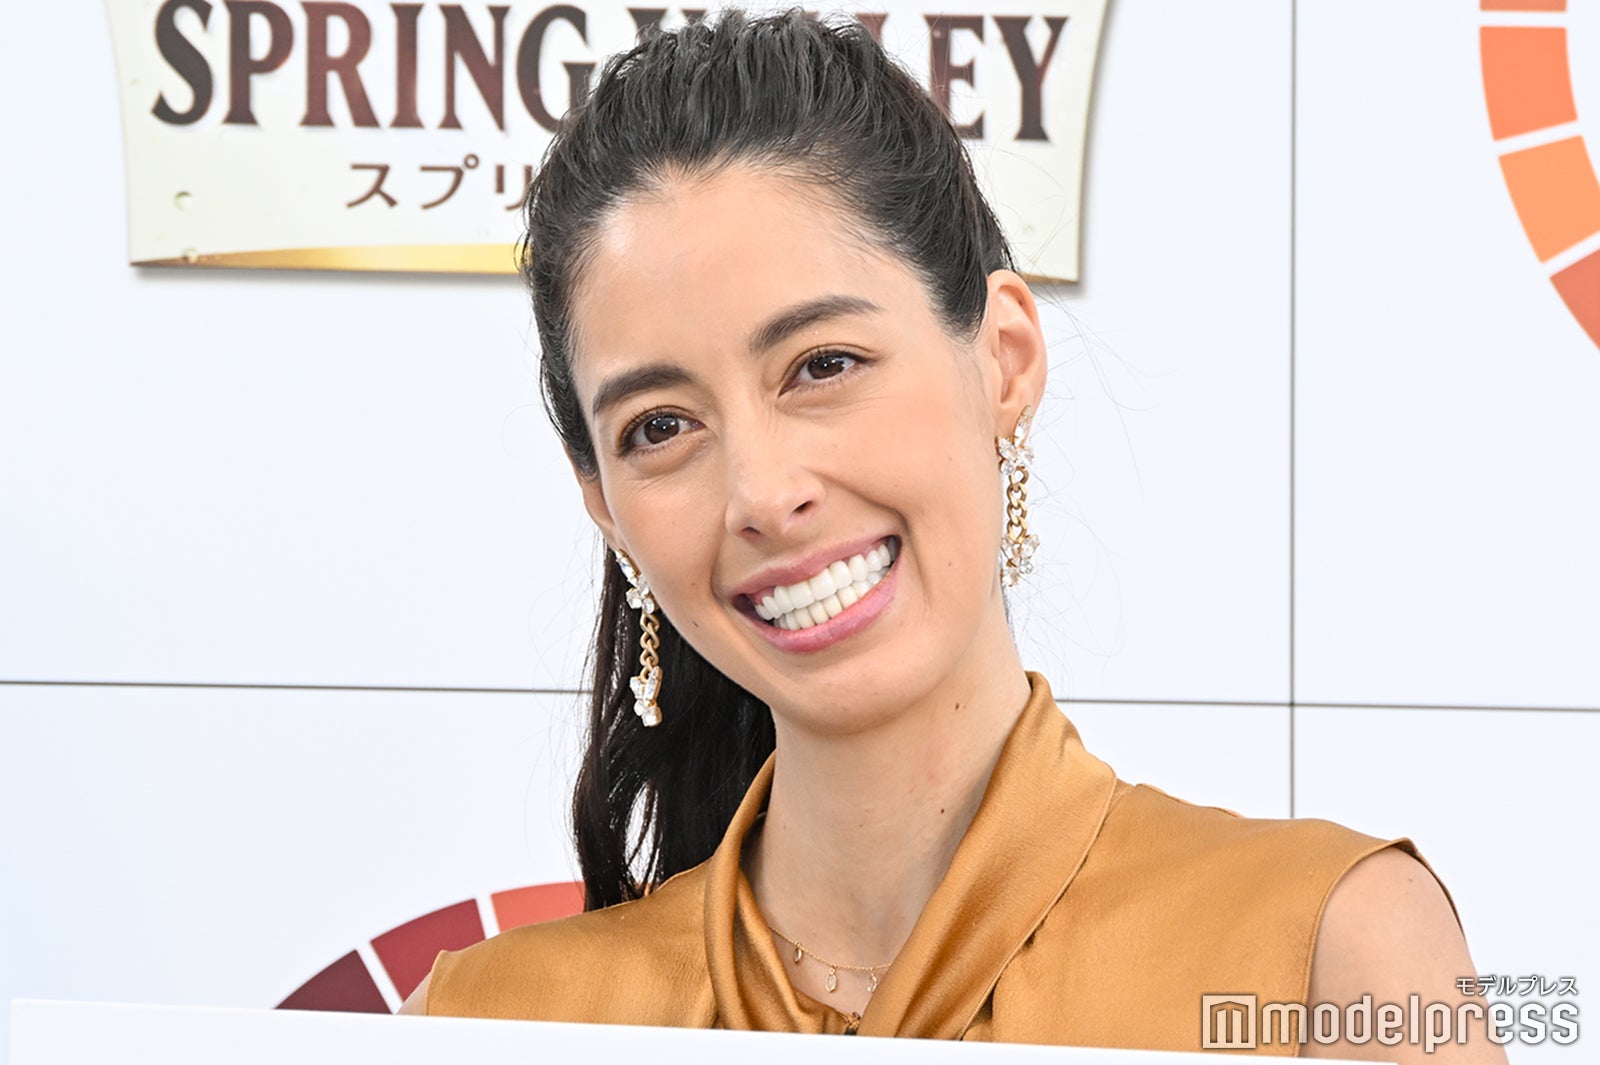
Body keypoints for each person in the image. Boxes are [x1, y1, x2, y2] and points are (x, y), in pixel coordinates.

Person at [400, 10, 1503, 1060]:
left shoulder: (1327, 954)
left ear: (1003, 360)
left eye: (823, 365)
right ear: (605, 505)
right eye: (661, 427)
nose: (763, 493)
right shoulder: (490, 1025)